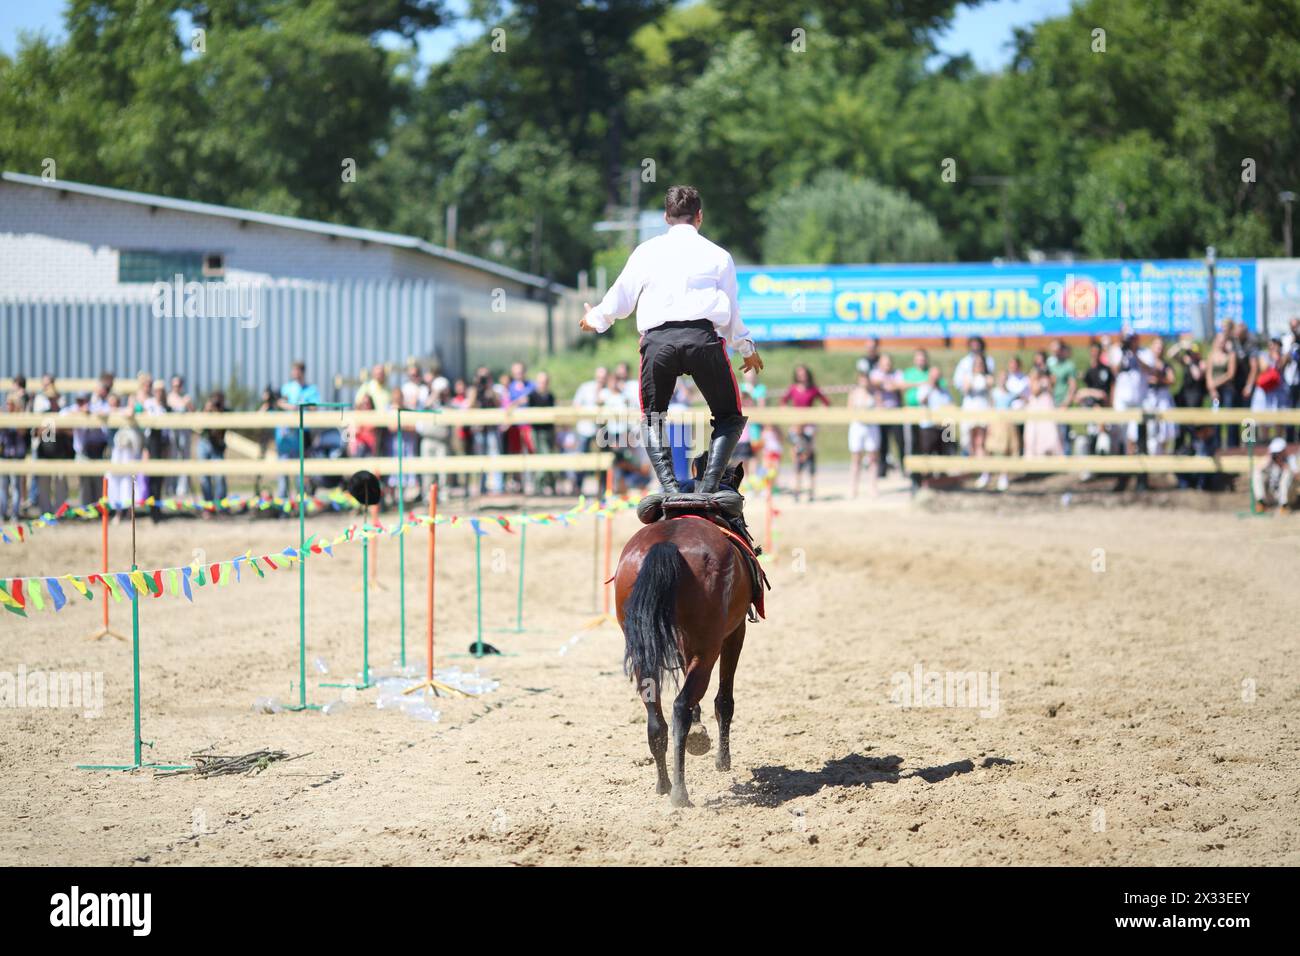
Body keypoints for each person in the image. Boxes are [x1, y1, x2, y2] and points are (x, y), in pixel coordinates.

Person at [579, 184, 764, 497]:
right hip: (702, 340)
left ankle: (670, 489)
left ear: (666, 217)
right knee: (729, 416)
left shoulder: (646, 252)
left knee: (652, 417)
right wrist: (747, 349)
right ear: (699, 217)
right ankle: (707, 487)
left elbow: (620, 298)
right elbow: (732, 312)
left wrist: (595, 319)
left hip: (658, 343)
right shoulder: (719, 256)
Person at [780, 365, 831, 502]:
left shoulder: (813, 389)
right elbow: (783, 402)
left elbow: (826, 403)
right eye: (799, 373)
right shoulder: (793, 389)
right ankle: (797, 489)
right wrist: (790, 416)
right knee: (797, 457)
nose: (802, 376)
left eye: (803, 373)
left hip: (809, 428)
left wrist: (817, 416)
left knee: (810, 457)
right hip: (797, 427)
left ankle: (811, 491)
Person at [275, 361, 321, 498]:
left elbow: (315, 407)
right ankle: (283, 498)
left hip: (304, 432)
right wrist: (292, 407)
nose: (295, 373)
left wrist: (303, 405)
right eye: (293, 370)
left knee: (301, 467)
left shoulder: (311, 389)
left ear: (302, 371)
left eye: (297, 370)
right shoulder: (287, 388)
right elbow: (280, 403)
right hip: (288, 432)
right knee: (283, 465)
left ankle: (301, 498)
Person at [572, 366, 608, 496]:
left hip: (602, 430)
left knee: (604, 460)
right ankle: (577, 485)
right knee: (582, 458)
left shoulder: (608, 391)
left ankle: (604, 488)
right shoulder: (585, 388)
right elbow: (576, 404)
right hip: (585, 428)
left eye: (603, 378)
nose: (601, 380)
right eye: (599, 377)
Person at [847, 369, 881, 498]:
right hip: (857, 426)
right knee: (856, 459)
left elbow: (879, 408)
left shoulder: (875, 393)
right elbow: (849, 410)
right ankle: (853, 488)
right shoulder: (854, 393)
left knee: (873, 458)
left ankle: (873, 487)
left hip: (871, 426)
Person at [961, 353, 993, 487]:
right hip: (970, 411)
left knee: (980, 442)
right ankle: (975, 470)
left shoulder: (987, 378)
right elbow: (966, 389)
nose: (979, 366)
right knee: (972, 443)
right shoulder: (968, 377)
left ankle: (984, 472)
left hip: (982, 411)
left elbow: (988, 386)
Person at [527, 371, 557, 495]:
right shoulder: (532, 396)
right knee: (541, 457)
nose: (543, 384)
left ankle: (549, 484)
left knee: (548, 457)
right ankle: (539, 485)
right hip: (536, 431)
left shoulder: (550, 396)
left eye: (545, 382)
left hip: (548, 431)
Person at [1046, 339, 1079, 452]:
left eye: (1057, 350)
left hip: (1063, 404)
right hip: (1051, 404)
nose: (1055, 352)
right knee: (1052, 435)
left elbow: (1072, 386)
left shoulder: (1069, 365)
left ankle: (1066, 461)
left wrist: (1066, 403)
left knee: (1064, 434)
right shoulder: (1051, 365)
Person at [166, 375, 195, 497]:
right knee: (172, 458)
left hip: (184, 432)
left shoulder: (186, 398)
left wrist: (187, 404)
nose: (176, 387)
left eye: (178, 385)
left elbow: (193, 412)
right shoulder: (169, 397)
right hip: (173, 432)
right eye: (174, 385)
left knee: (184, 458)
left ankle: (182, 488)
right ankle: (170, 487)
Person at [198, 391, 228, 507]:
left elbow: (221, 432)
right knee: (204, 477)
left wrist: (219, 412)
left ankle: (220, 506)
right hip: (204, 443)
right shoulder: (206, 411)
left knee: (219, 477)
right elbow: (198, 427)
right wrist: (207, 410)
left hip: (217, 445)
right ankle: (208, 506)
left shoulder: (225, 412)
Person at [1253, 437, 1297, 513]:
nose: (1277, 455)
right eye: (1275, 453)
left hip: (1289, 495)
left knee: (1288, 473)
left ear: (1284, 451)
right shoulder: (1269, 461)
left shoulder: (1291, 460)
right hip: (1272, 493)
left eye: (1278, 452)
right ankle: (1261, 503)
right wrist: (1268, 460)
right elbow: (1256, 471)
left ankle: (1284, 506)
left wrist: (1285, 466)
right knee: (1257, 473)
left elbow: (1297, 476)